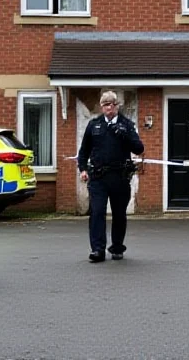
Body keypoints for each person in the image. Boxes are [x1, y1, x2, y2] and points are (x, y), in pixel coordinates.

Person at [77, 90, 144, 263]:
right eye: (105, 104)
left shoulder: (127, 124)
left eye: (112, 104)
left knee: (119, 214)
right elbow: (84, 151)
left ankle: (117, 247)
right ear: (102, 107)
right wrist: (83, 169)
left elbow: (138, 148)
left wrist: (125, 135)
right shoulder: (94, 125)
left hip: (120, 177)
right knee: (97, 212)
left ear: (117, 106)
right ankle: (97, 250)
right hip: (98, 177)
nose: (109, 108)